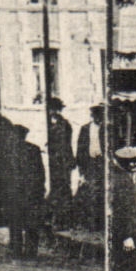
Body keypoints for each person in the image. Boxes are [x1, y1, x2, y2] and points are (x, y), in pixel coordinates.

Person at [4, 123, 45, 258]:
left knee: (16, 222)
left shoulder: (9, 151)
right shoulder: (34, 149)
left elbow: (4, 174)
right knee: (31, 222)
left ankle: (17, 251)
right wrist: (40, 189)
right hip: (31, 192)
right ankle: (31, 251)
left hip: (15, 192)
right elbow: (41, 172)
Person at [45, 97, 75, 228]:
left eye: (53, 109)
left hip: (63, 161)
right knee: (56, 188)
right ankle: (55, 217)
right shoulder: (50, 124)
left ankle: (64, 219)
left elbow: (64, 144)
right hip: (54, 162)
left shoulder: (64, 124)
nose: (51, 111)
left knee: (63, 188)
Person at [75, 105, 106, 228]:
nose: (98, 118)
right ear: (92, 116)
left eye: (100, 116)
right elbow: (80, 149)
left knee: (103, 191)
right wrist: (81, 169)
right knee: (91, 192)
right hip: (90, 163)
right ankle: (91, 223)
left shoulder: (107, 128)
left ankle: (102, 222)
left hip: (103, 163)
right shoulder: (85, 129)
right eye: (96, 115)